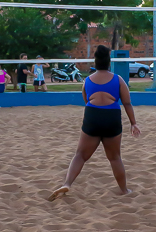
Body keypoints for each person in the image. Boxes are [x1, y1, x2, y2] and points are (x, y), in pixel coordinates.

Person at [48, 45, 141, 201]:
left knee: (80, 155)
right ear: (109, 62)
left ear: (95, 62)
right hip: (112, 116)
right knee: (115, 158)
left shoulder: (87, 80)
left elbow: (86, 100)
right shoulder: (118, 80)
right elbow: (127, 103)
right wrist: (133, 123)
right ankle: (124, 190)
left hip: (93, 115)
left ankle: (67, 183)